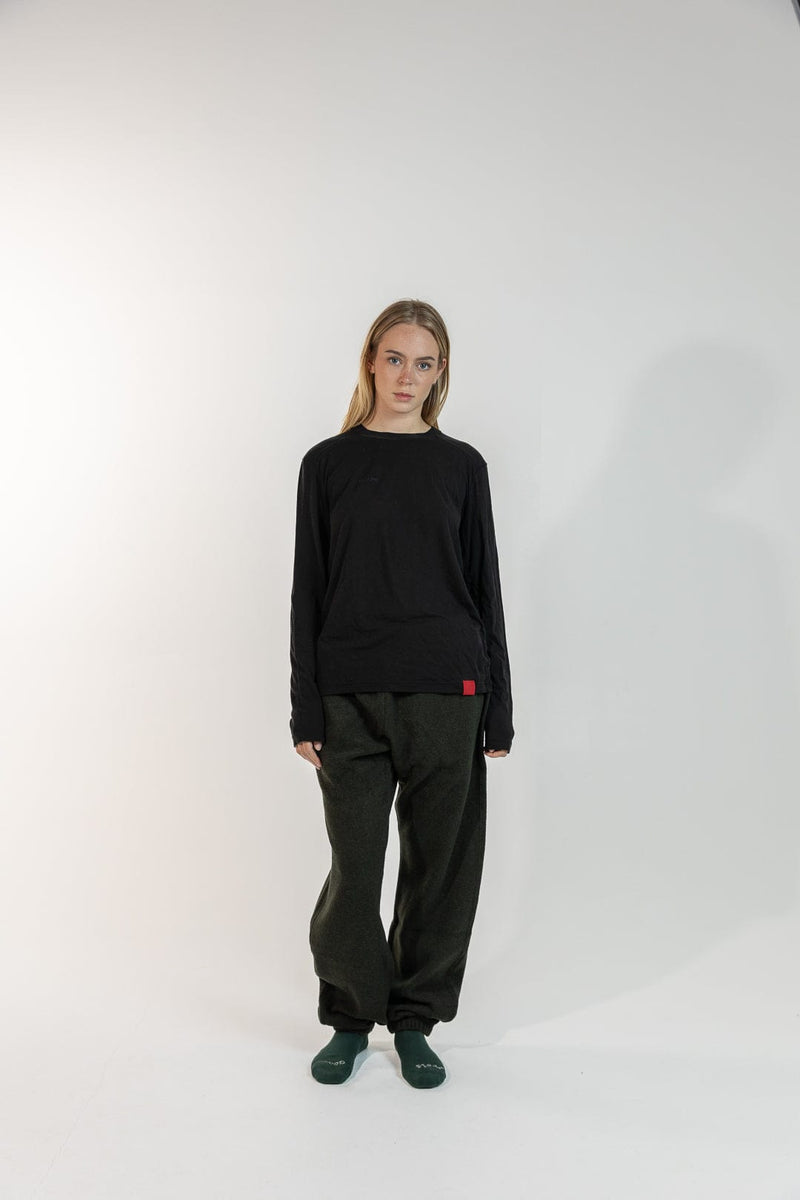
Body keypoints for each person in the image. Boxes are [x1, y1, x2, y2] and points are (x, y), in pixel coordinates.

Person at [289, 298, 514, 1089]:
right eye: (394, 358)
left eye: (424, 363)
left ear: (441, 371)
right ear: (371, 362)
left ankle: (415, 1020)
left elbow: (484, 586)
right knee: (355, 867)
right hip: (349, 694)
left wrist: (498, 705)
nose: (407, 376)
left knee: (440, 868)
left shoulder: (462, 466)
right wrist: (305, 704)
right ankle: (351, 1018)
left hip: (448, 691)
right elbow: (308, 589)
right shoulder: (327, 464)